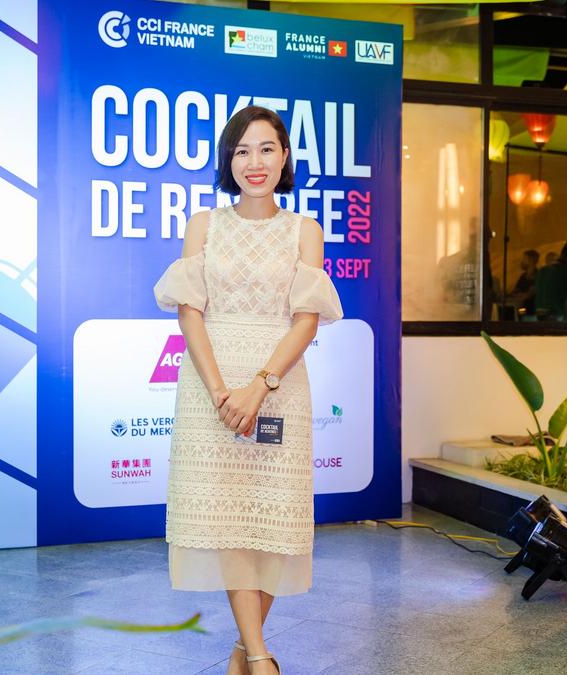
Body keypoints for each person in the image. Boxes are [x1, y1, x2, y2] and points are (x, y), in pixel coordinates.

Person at [153, 105, 342, 675]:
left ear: (284, 158)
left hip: (277, 383)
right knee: (230, 521)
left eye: (266, 149)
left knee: (274, 523)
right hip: (209, 385)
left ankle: (244, 651)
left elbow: (306, 321)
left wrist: (259, 388)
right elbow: (190, 312)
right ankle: (260, 656)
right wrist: (220, 392)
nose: (254, 162)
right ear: (228, 160)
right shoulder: (204, 225)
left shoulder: (305, 230)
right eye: (241, 150)